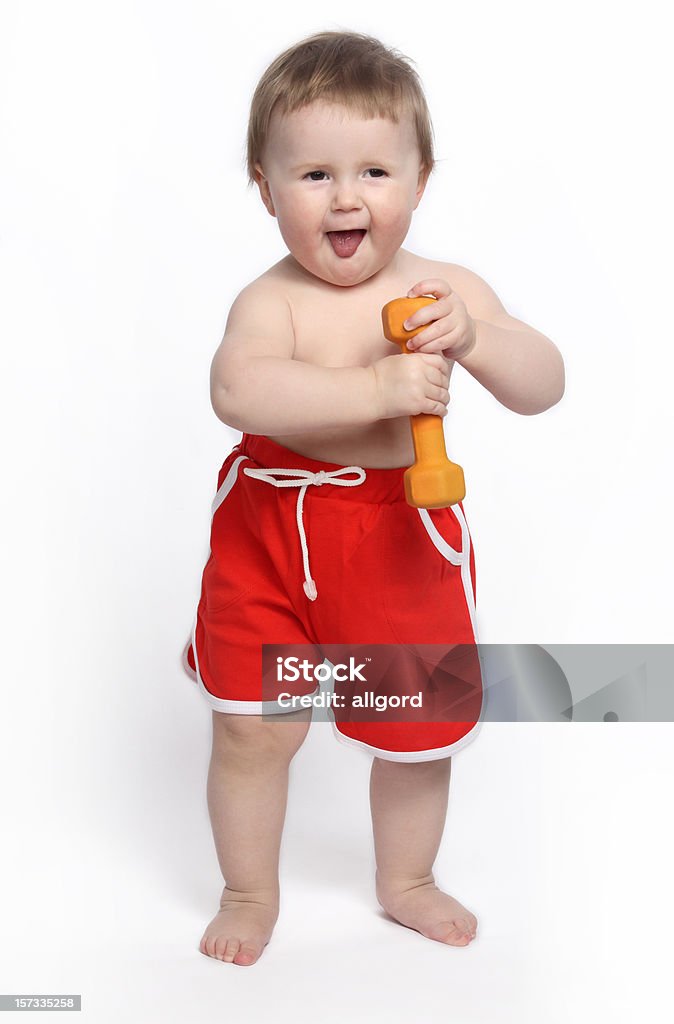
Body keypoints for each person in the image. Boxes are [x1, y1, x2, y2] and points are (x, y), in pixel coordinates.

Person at [182, 30, 564, 966]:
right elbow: (239, 390)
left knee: (415, 732)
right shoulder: (272, 301)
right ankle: (248, 889)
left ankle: (407, 879)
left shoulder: (446, 292)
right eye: (312, 174)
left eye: (374, 172)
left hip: (397, 537)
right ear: (265, 189)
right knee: (249, 728)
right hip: (273, 533)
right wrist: (373, 393)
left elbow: (545, 381)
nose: (347, 196)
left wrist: (475, 339)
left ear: (420, 179)